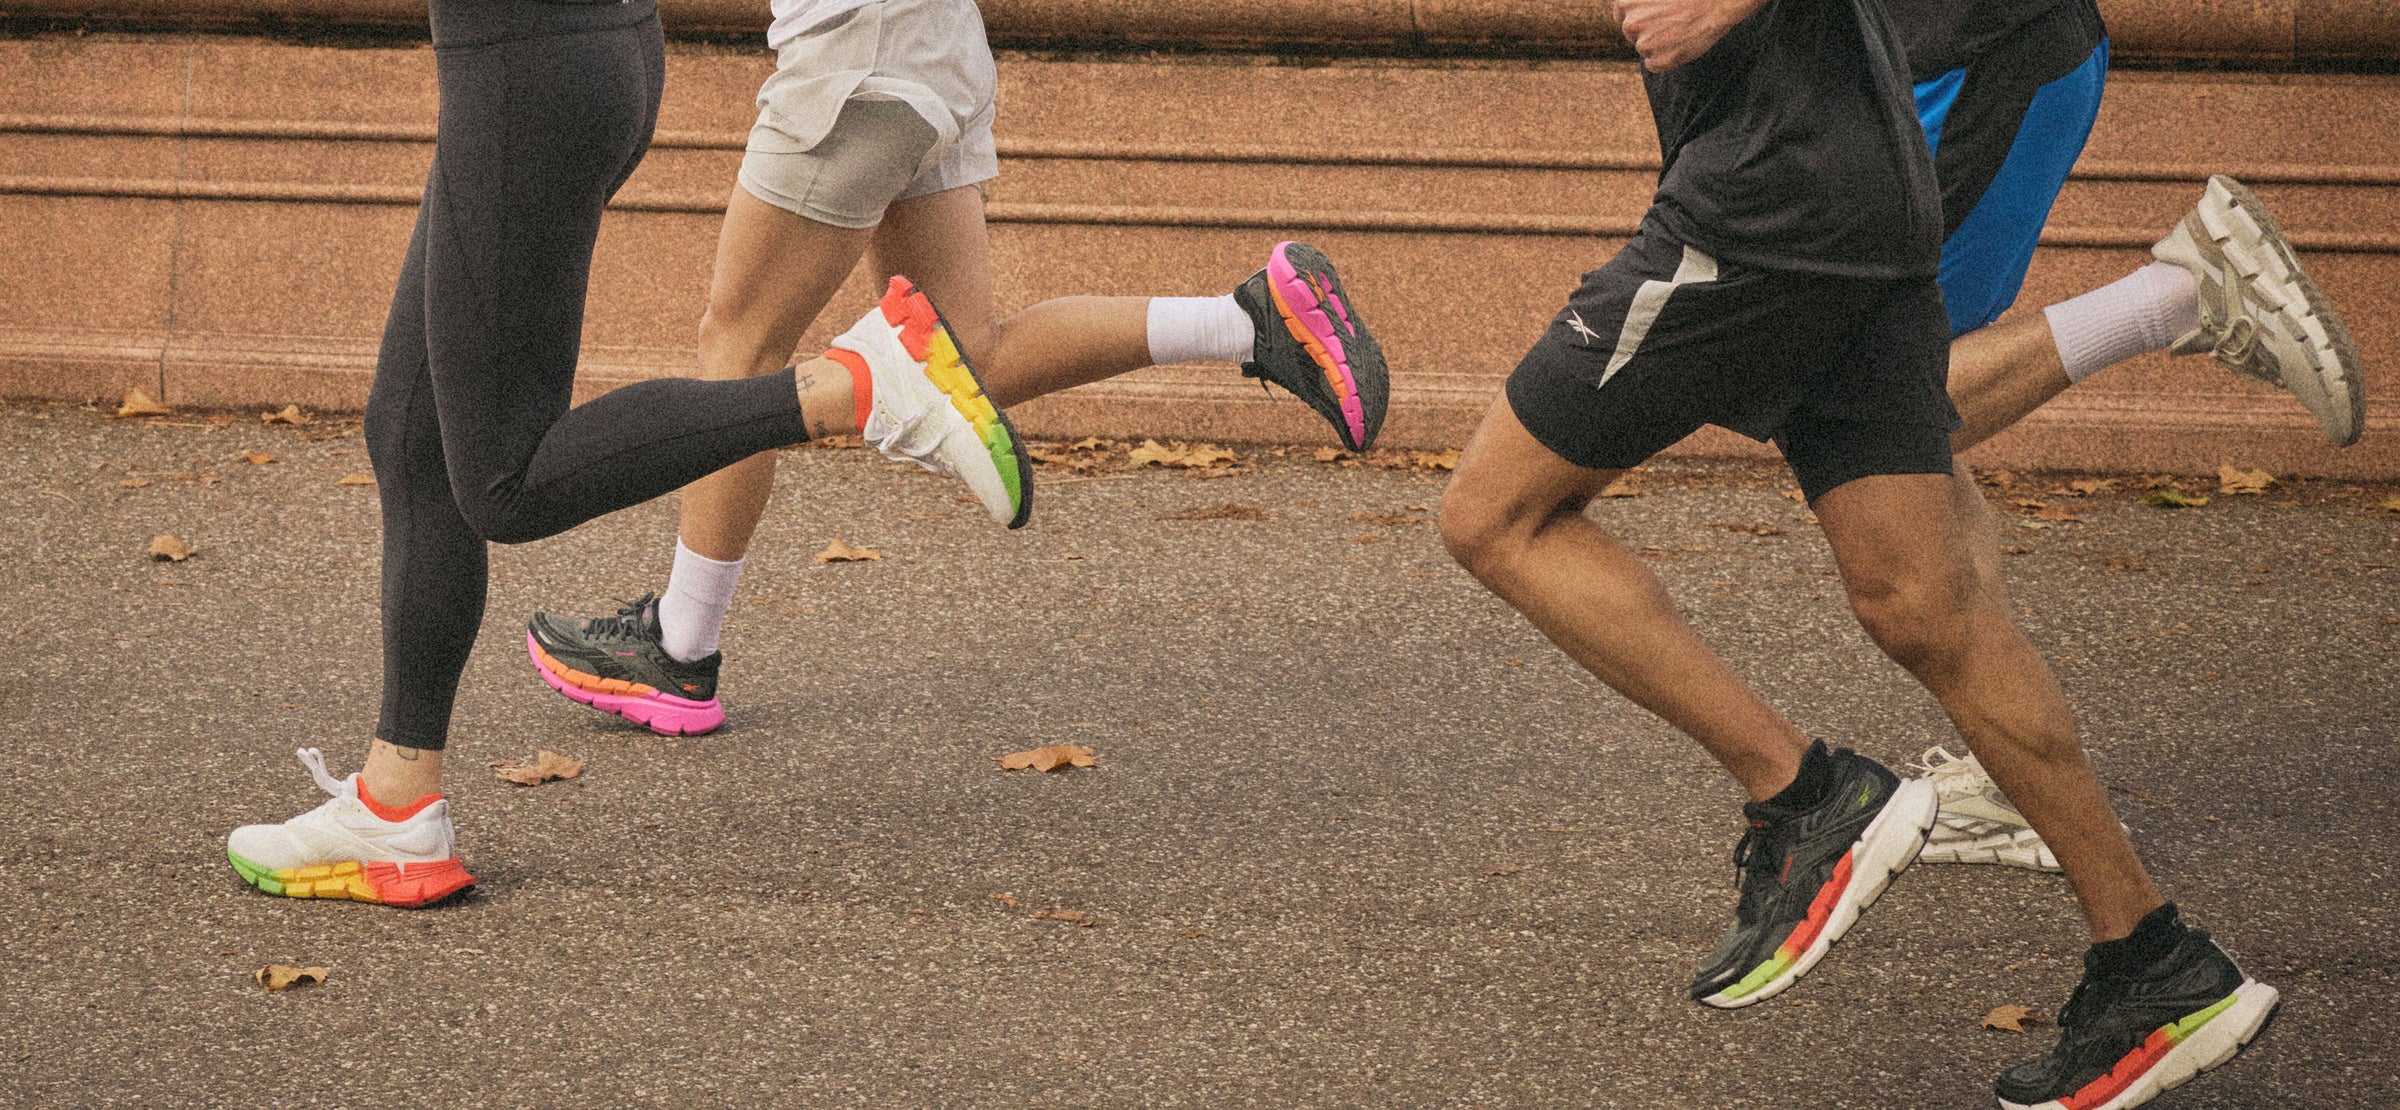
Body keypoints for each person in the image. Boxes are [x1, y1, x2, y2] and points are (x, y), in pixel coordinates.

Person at [1437, 1, 2281, 1107]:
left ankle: (1805, 798)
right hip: (1861, 196)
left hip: (1763, 204)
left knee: (1498, 518)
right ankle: (2155, 962)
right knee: (1925, 608)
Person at [220, 0, 1063, 905]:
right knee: (409, 430)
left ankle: (857, 387)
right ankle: (395, 809)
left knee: (504, 486)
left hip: (527, 64)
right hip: (569, 52)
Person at [518, 0, 1386, 736]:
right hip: (933, 50)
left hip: (857, 59)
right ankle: (1253, 323)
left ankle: (680, 648)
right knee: (971, 359)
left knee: (740, 348)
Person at [1870, 0, 2361, 874]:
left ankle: (2183, 295)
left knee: (1865, 407)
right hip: (1963, 54)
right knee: (1901, 408)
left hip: (1967, 56)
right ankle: (2008, 770)